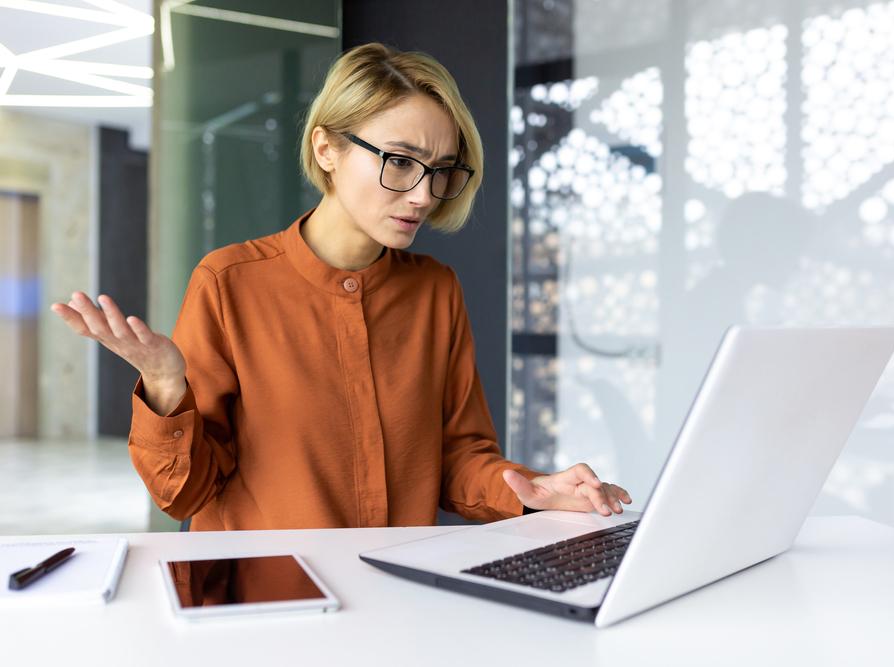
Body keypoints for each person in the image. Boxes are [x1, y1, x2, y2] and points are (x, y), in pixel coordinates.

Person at [50, 43, 632, 531]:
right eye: (400, 161)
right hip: (263, 608)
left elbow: (458, 458)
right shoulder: (229, 283)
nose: (424, 194)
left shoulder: (436, 291)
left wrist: (533, 491)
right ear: (326, 148)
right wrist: (164, 385)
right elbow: (184, 494)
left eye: (441, 169)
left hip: (393, 602)